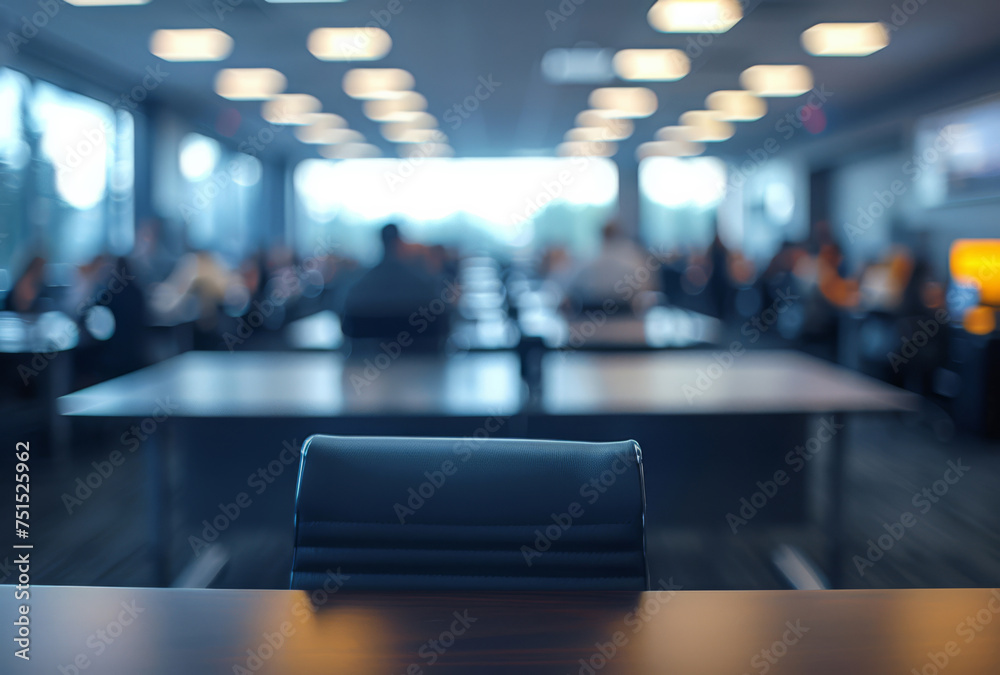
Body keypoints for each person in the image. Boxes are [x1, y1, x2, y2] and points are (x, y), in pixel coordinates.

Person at [342, 224, 450, 345]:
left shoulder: (356, 290)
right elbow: (443, 326)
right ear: (399, 242)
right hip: (421, 360)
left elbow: (347, 329)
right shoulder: (425, 287)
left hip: (365, 362)